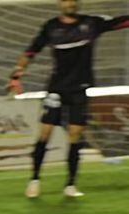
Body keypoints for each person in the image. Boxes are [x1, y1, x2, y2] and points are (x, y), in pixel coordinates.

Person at [8, 0, 129, 198]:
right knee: (44, 133)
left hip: (79, 89)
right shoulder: (51, 27)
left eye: (73, 0)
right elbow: (31, 51)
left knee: (75, 135)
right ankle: (34, 180)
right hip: (56, 88)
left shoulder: (91, 24)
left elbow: (120, 22)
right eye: (66, 1)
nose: (70, 4)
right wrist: (16, 74)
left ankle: (70, 185)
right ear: (60, 4)